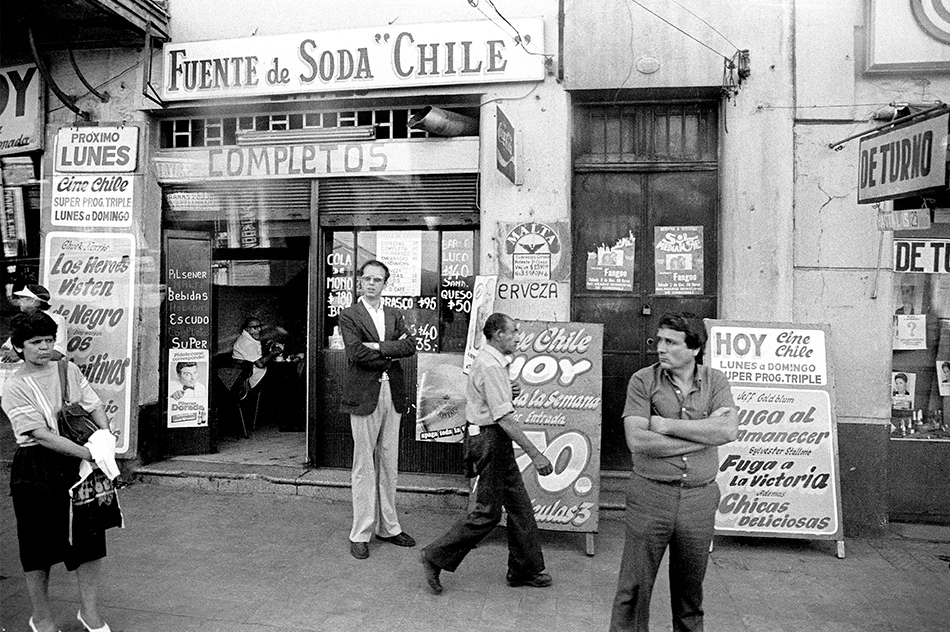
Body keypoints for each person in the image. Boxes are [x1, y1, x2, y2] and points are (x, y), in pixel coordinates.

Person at [610, 312, 738, 632]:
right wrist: (702, 437)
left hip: (699, 499)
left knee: (690, 594)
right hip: (651, 494)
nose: (660, 348)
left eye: (671, 342)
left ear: (694, 348)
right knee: (634, 590)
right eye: (659, 340)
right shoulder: (643, 380)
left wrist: (666, 426)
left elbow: (728, 430)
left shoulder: (715, 381)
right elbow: (637, 439)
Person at [420, 313, 554, 594]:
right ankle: (434, 556)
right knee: (487, 514)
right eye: (513, 332)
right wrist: (536, 454)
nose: (518, 337)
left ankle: (524, 569)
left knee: (519, 507)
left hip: (495, 439)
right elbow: (503, 418)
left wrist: (508, 390)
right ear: (497, 334)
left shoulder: (492, 361)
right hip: (490, 439)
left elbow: (490, 399)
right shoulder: (492, 365)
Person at [2, 311, 114, 632]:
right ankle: (42, 618)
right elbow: (40, 434)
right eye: (36, 342)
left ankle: (90, 613)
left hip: (80, 462)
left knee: (89, 538)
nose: (44, 347)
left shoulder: (68, 369)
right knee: (38, 545)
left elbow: (93, 405)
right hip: (36, 466)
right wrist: (89, 453)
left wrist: (104, 437)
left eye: (49, 340)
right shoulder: (14, 386)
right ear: (19, 346)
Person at [338, 260, 417, 559]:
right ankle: (360, 532)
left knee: (388, 462)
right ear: (360, 282)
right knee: (363, 465)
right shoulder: (349, 315)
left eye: (378, 280)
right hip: (364, 394)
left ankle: (389, 527)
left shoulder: (394, 314)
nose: (372, 284)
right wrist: (388, 350)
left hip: (392, 392)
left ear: (385, 284)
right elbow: (356, 354)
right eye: (367, 279)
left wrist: (377, 347)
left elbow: (410, 346)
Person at [2, 284, 67, 363]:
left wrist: (21, 355)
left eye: (22, 298)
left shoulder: (56, 320)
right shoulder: (22, 321)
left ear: (32, 301)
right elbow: (7, 347)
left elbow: (57, 354)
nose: (19, 302)